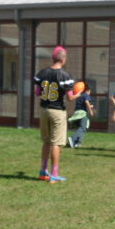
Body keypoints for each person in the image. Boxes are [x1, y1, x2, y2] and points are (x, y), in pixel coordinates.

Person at [34, 46, 80, 183]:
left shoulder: (42, 73)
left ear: (53, 58)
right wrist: (78, 94)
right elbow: (70, 98)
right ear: (63, 59)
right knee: (56, 143)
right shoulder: (65, 75)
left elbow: (38, 92)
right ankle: (54, 174)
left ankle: (43, 171)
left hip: (44, 110)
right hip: (57, 111)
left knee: (46, 142)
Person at [68, 82, 95, 148]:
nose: (90, 94)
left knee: (82, 128)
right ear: (88, 90)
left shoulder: (80, 95)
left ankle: (77, 143)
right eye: (90, 92)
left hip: (77, 113)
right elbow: (86, 102)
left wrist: (89, 106)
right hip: (82, 114)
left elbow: (82, 104)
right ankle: (73, 138)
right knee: (83, 128)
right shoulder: (86, 95)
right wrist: (90, 110)